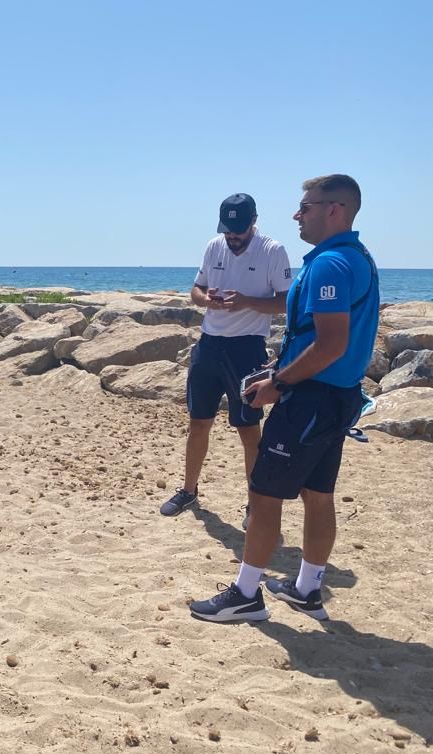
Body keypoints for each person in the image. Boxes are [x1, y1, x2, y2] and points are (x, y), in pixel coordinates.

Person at [190, 174, 379, 622]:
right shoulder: (358, 257)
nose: (298, 213)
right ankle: (307, 588)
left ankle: (245, 594)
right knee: (318, 493)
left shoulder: (331, 264)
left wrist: (280, 383)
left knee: (264, 492)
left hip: (313, 398)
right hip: (340, 396)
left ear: (335, 209)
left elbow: (330, 344)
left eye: (306, 206)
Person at [160, 194, 292, 528]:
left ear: (253, 221)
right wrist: (208, 301)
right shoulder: (214, 246)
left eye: (239, 229)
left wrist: (247, 302)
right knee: (198, 422)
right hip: (209, 345)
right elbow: (195, 290)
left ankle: (255, 505)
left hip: (247, 350)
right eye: (228, 229)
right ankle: (188, 490)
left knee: (248, 430)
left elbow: (287, 302)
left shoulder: (272, 251)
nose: (232, 236)